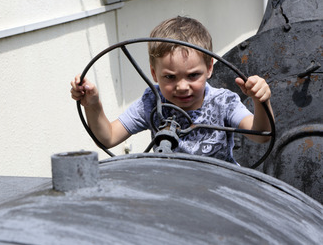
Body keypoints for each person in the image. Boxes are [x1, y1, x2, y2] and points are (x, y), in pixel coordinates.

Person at [71, 16, 273, 164]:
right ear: (154, 74)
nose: (182, 87)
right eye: (169, 77)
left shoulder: (223, 103)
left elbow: (262, 134)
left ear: (210, 67)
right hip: (170, 188)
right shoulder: (152, 102)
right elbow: (108, 137)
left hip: (219, 190)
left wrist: (260, 101)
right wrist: (93, 106)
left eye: (193, 75)